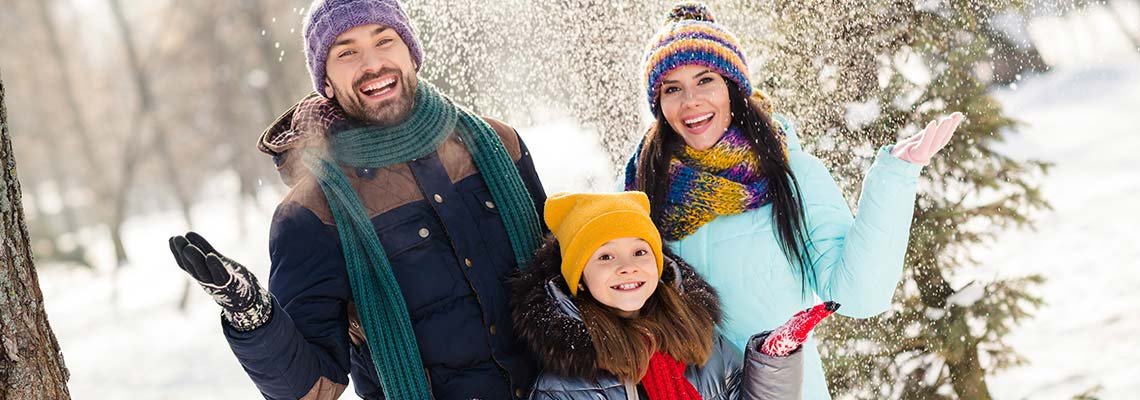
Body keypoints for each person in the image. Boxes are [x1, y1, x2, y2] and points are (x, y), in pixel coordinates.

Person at [166, 0, 547, 398]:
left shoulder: (496, 144)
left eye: (385, 40)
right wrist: (254, 319)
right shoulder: (312, 212)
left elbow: (566, 281)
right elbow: (315, 387)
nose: (373, 63)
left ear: (412, 54)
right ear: (326, 80)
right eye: (347, 52)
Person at [623, 3, 965, 398]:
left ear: (733, 88)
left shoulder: (793, 175)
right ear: (659, 104)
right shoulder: (638, 190)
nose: (691, 101)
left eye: (705, 81)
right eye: (672, 89)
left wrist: (893, 180)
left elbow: (857, 295)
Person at [510, 191, 838, 399]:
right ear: (578, 279)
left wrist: (774, 362)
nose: (627, 267)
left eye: (640, 252)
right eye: (605, 257)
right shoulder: (566, 385)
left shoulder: (704, 346)